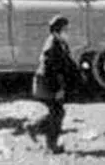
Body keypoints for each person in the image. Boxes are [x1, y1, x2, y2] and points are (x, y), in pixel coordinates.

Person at [25, 15, 83, 154]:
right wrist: (57, 89)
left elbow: (68, 63)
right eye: (65, 29)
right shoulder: (52, 47)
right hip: (46, 84)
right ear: (57, 31)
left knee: (57, 113)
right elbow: (50, 71)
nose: (68, 32)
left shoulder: (60, 43)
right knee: (57, 113)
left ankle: (35, 129)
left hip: (48, 83)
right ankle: (49, 144)